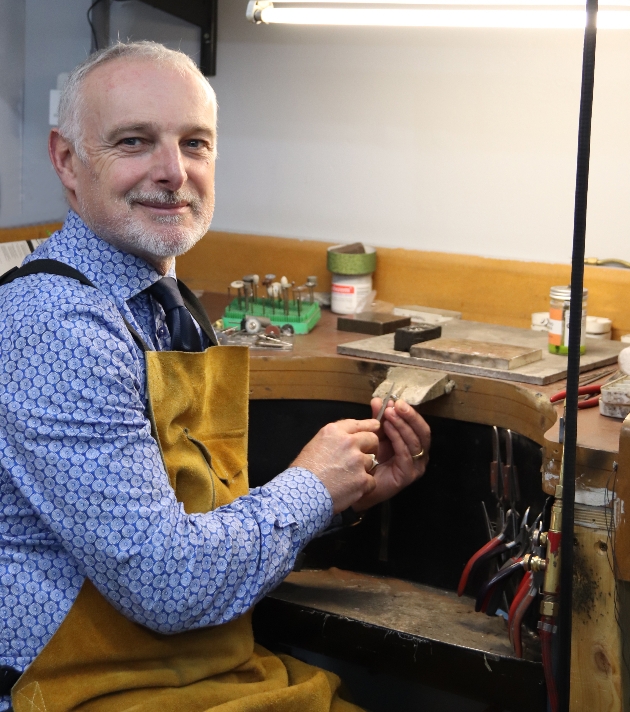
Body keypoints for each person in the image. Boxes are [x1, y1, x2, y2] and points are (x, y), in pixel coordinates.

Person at [0, 42, 430, 712]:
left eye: (195, 143)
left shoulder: (163, 302)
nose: (174, 172)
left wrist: (345, 496)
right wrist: (310, 490)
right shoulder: (58, 325)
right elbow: (167, 584)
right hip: (82, 691)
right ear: (67, 160)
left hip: (194, 671)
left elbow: (188, 524)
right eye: (135, 141)